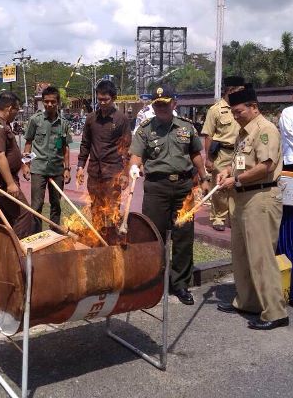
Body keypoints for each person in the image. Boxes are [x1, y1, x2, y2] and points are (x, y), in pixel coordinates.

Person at [216, 86, 288, 331]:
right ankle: (247, 302)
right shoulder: (243, 133)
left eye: (239, 112)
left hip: (261, 197)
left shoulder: (266, 130)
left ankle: (275, 311)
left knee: (260, 257)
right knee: (242, 255)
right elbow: (240, 162)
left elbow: (265, 166)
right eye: (233, 113)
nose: (236, 116)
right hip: (243, 198)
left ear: (253, 107)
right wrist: (228, 171)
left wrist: (235, 180)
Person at [129, 85, 209, 305]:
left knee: (184, 236)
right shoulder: (145, 129)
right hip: (157, 188)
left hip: (184, 187)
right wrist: (134, 167)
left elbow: (195, 154)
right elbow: (136, 155)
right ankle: (154, 281)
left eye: (165, 104)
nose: (161, 108)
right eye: (157, 105)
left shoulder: (186, 127)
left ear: (174, 103)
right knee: (154, 236)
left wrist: (203, 177)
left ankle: (180, 284)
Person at [76, 81, 131, 229]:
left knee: (112, 210)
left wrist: (125, 173)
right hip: (94, 173)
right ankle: (97, 240)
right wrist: (80, 167)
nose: (102, 103)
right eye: (99, 99)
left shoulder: (122, 119)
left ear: (113, 98)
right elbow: (85, 144)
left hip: (113, 173)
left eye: (105, 99)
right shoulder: (91, 118)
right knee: (96, 209)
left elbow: (126, 149)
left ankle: (111, 243)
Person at [22, 86, 72, 233]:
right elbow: (28, 143)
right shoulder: (35, 120)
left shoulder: (63, 124)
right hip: (38, 169)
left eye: (53, 102)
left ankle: (54, 232)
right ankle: (36, 235)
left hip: (57, 170)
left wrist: (67, 168)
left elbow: (65, 148)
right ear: (43, 102)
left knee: (56, 204)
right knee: (36, 205)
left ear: (58, 103)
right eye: (46, 101)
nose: (49, 104)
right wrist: (26, 164)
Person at [0, 92, 34, 238]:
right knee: (24, 215)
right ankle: (18, 254)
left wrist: (20, 158)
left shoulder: (3, 125)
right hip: (2, 181)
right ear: (9, 108)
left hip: (6, 179)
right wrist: (10, 183)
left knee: (5, 218)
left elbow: (6, 153)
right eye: (16, 110)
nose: (16, 113)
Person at [200, 75, 244, 231]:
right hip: (222, 152)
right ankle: (218, 217)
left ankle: (233, 215)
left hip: (240, 153)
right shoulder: (216, 110)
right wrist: (208, 159)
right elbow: (208, 135)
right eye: (239, 90)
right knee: (220, 186)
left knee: (237, 183)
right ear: (230, 90)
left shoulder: (242, 107)